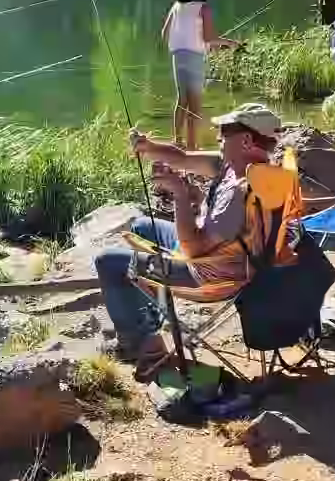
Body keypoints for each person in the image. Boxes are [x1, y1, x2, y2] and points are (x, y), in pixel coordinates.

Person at [93, 103, 285, 375]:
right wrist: (149, 147)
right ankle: (152, 319)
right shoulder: (243, 168)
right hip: (225, 258)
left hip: (210, 278)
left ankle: (142, 344)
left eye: (225, 131)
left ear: (246, 140)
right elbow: (182, 158)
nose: (218, 136)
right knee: (142, 226)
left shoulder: (241, 195)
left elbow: (192, 248)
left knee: (108, 262)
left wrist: (181, 194)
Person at [160, 0, 239, 151]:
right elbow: (209, 38)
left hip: (178, 56)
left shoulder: (176, 7)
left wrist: (183, 41)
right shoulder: (204, 8)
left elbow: (165, 34)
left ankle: (177, 141)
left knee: (182, 100)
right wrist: (230, 43)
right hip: (195, 57)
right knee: (194, 103)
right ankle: (192, 146)